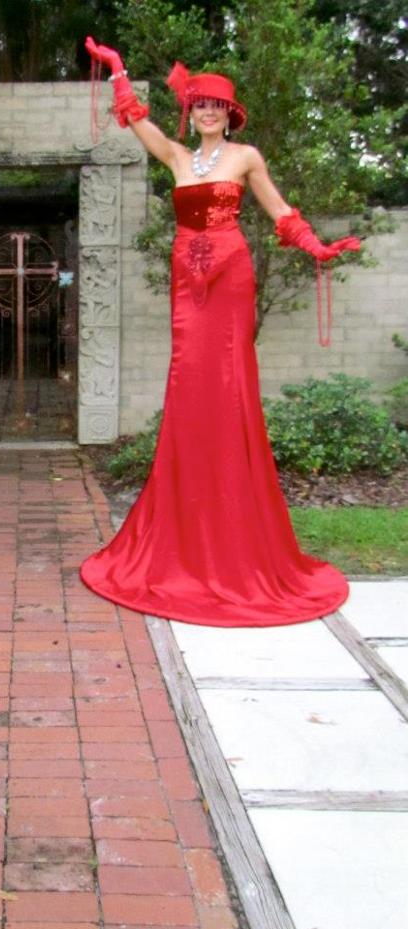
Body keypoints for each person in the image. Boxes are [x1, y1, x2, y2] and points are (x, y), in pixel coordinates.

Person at [79, 38, 360, 627]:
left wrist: (317, 246)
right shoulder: (179, 159)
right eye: (201, 104)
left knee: (227, 383)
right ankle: (185, 518)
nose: (208, 112)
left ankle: (233, 522)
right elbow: (135, 120)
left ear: (230, 116)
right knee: (188, 384)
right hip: (189, 280)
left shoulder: (246, 157)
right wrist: (117, 70)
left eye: (217, 107)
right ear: (193, 112)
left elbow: (280, 212)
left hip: (229, 275)